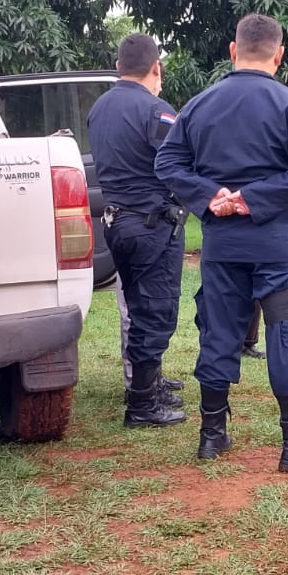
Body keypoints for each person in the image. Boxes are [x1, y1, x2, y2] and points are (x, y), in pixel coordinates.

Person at [155, 13, 288, 471]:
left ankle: (211, 435)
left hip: (223, 248)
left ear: (233, 50)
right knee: (286, 334)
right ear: (279, 54)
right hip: (280, 247)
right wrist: (252, 199)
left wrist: (213, 196)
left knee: (218, 332)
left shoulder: (197, 106)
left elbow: (168, 162)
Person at [85, 33, 187, 428]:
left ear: (118, 68)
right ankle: (142, 405)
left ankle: (150, 384)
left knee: (138, 306)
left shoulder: (100, 107)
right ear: (155, 67)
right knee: (155, 312)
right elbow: (177, 164)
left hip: (116, 224)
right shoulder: (156, 110)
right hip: (151, 226)